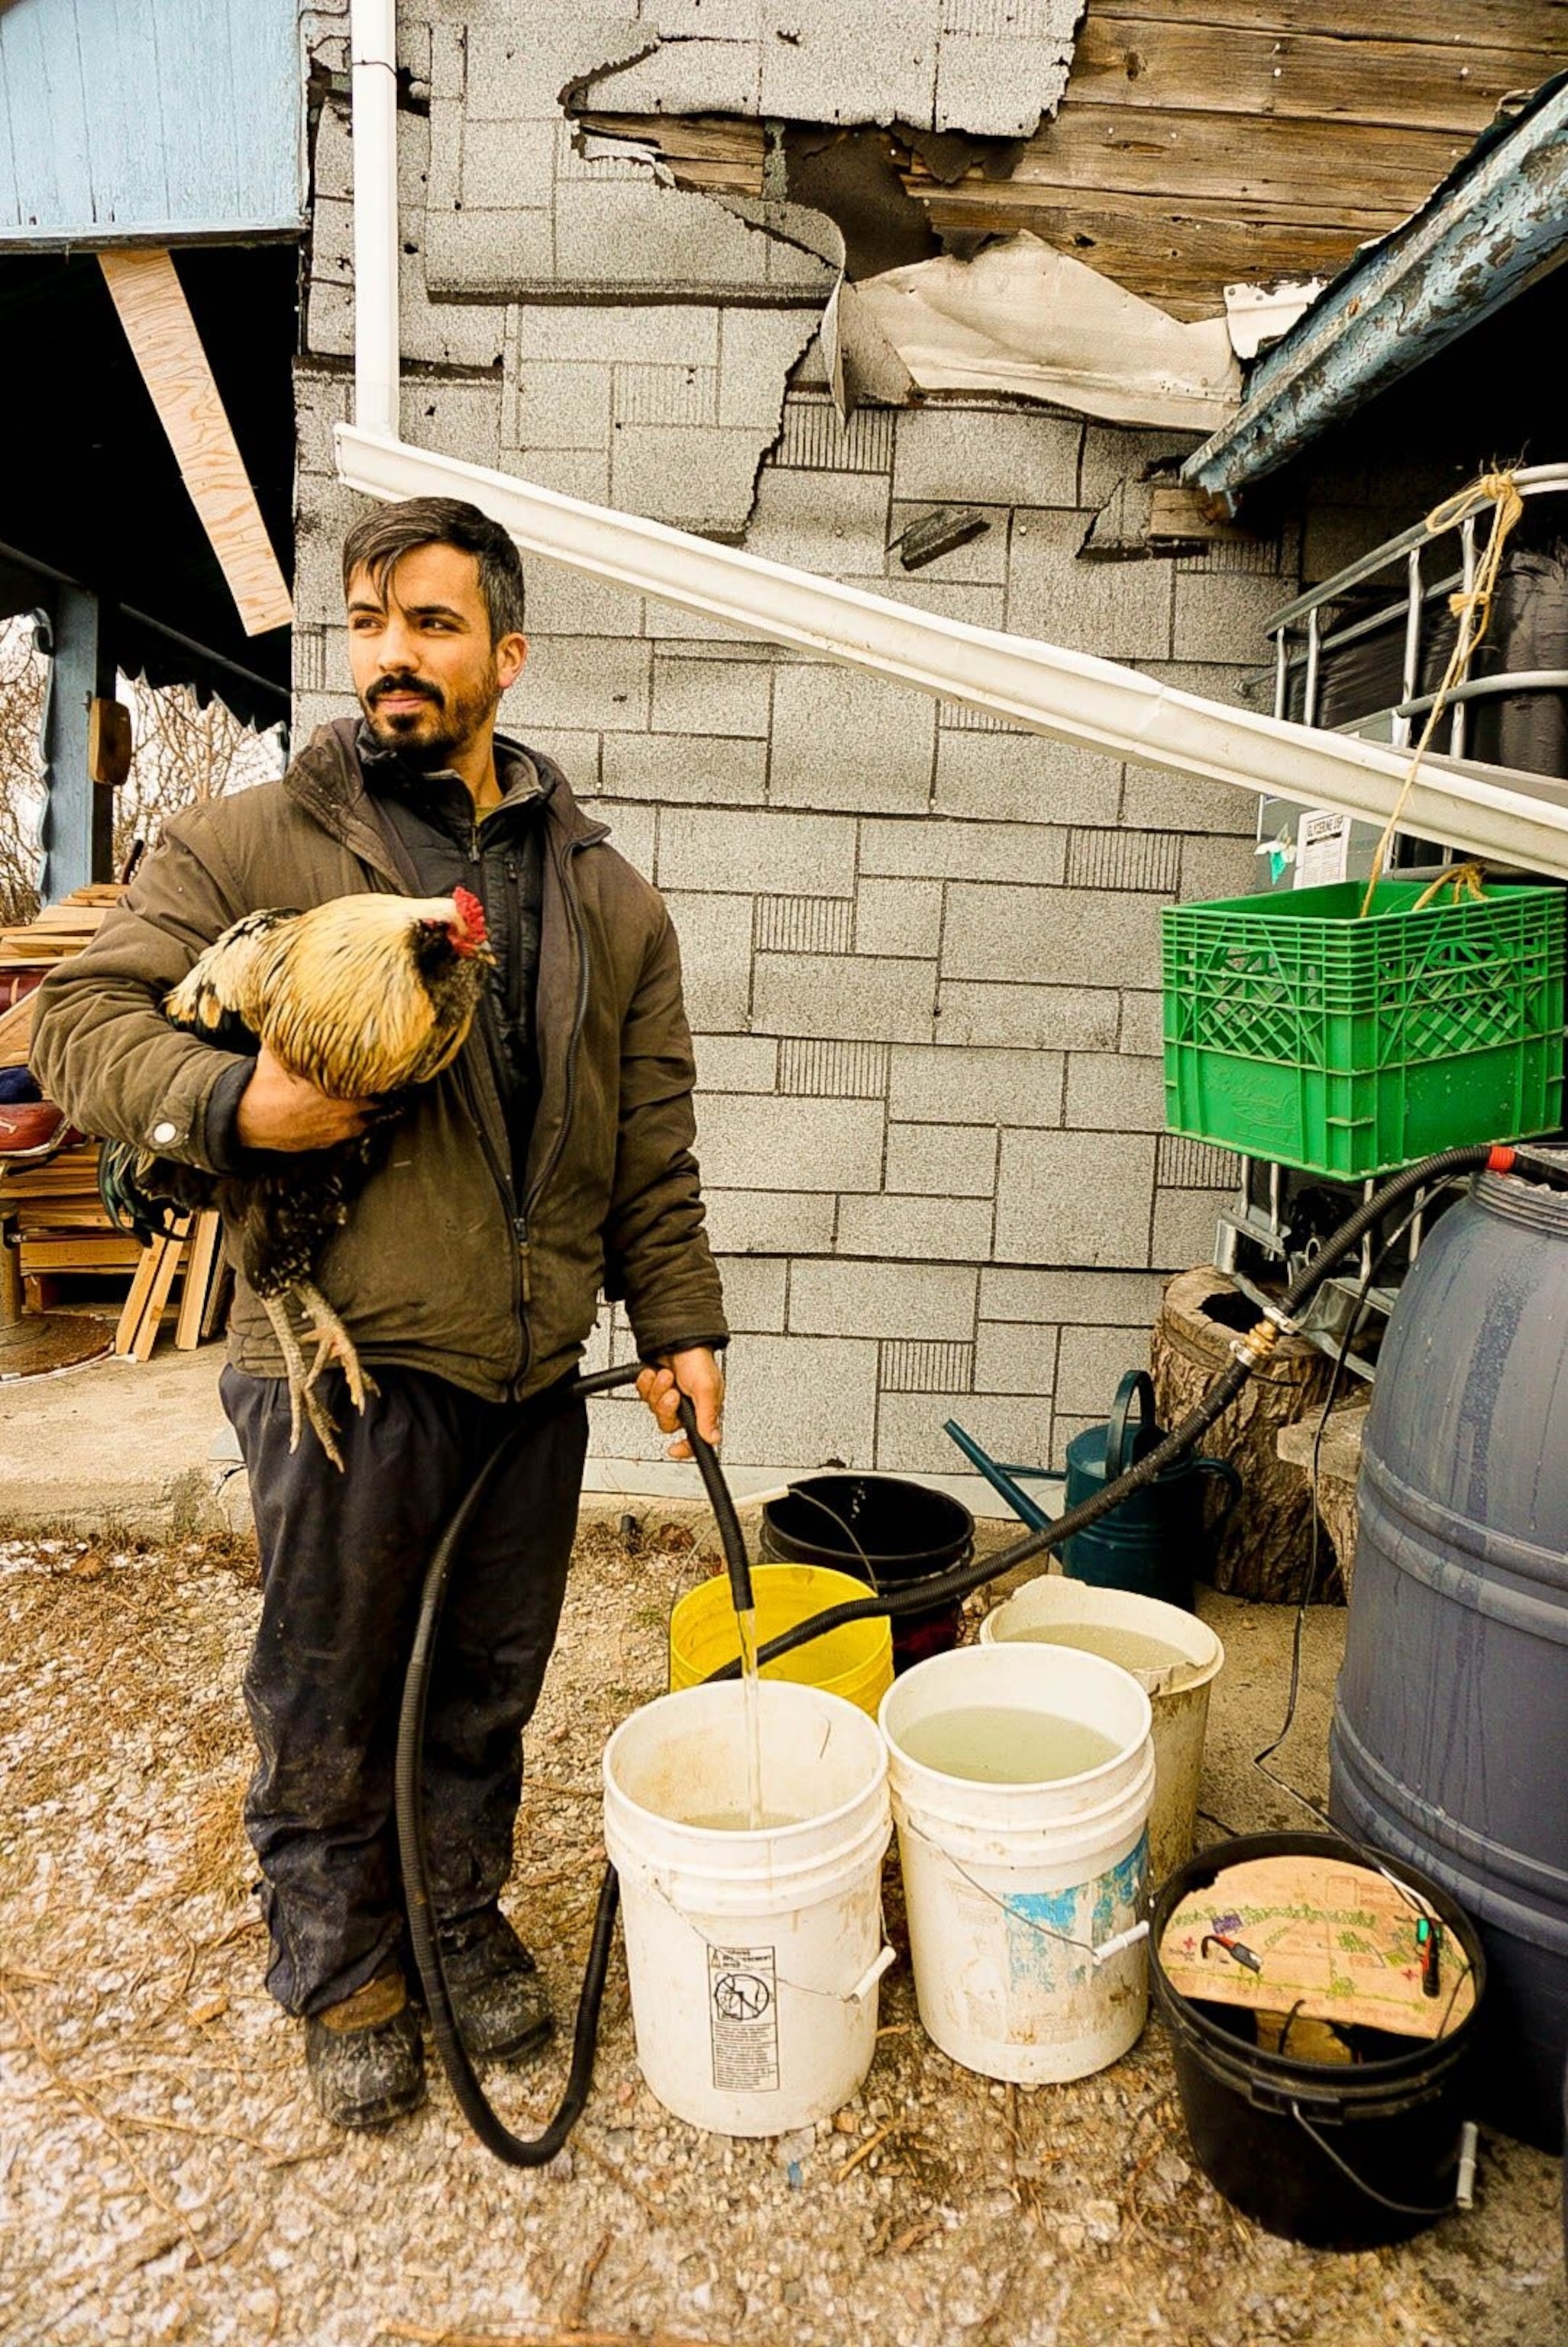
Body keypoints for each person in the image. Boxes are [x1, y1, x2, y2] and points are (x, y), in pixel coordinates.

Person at [31, 497, 727, 2129]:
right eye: (367, 622)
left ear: (507, 651)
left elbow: (653, 1142)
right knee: (332, 1681)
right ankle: (343, 1963)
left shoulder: (610, 899)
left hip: (529, 1369)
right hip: (340, 1357)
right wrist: (229, 1110)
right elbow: (77, 1021)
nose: (390, 657)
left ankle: (453, 1913)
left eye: (429, 623)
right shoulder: (256, 842)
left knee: (485, 1675)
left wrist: (679, 1322)